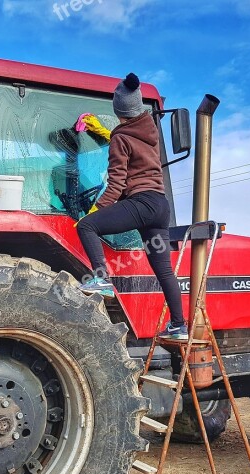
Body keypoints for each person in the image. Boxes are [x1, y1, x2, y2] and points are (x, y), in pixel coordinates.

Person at [76, 73, 188, 340]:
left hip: (141, 202)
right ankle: (179, 325)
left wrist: (95, 210)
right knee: (164, 271)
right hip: (161, 206)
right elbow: (127, 146)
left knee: (87, 226)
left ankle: (101, 279)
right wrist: (107, 135)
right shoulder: (148, 132)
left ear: (119, 111)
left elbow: (115, 186)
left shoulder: (121, 138)